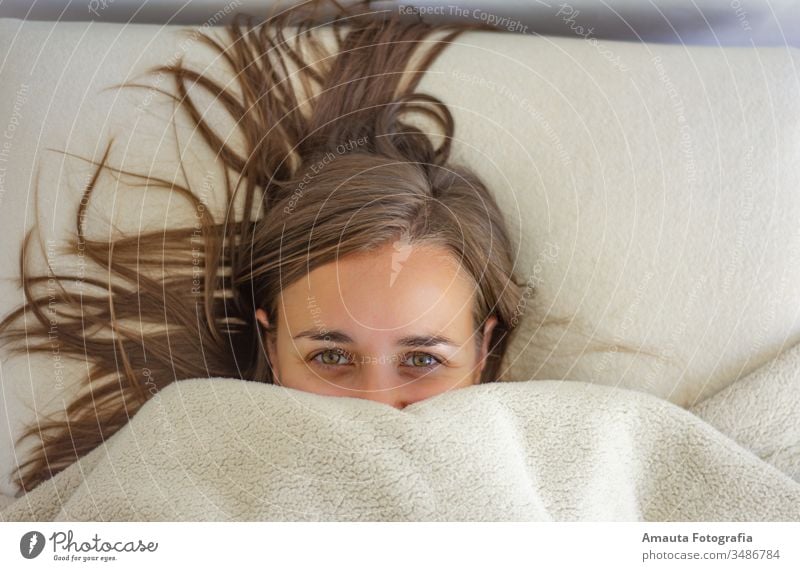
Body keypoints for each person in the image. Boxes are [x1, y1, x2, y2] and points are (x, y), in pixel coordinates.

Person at [0, 0, 524, 493]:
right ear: (271, 347)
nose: (375, 406)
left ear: (482, 349)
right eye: (332, 355)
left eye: (421, 359)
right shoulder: (168, 464)